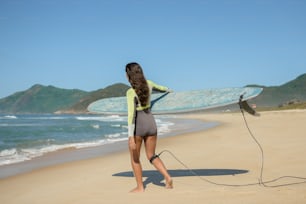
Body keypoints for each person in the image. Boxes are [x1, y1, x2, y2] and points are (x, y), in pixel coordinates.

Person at [125, 62, 173, 193]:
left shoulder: (130, 92)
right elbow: (162, 88)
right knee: (151, 155)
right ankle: (167, 177)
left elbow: (131, 115)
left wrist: (130, 137)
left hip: (139, 125)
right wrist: (169, 90)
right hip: (150, 122)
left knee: (135, 159)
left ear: (128, 75)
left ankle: (140, 187)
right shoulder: (149, 84)